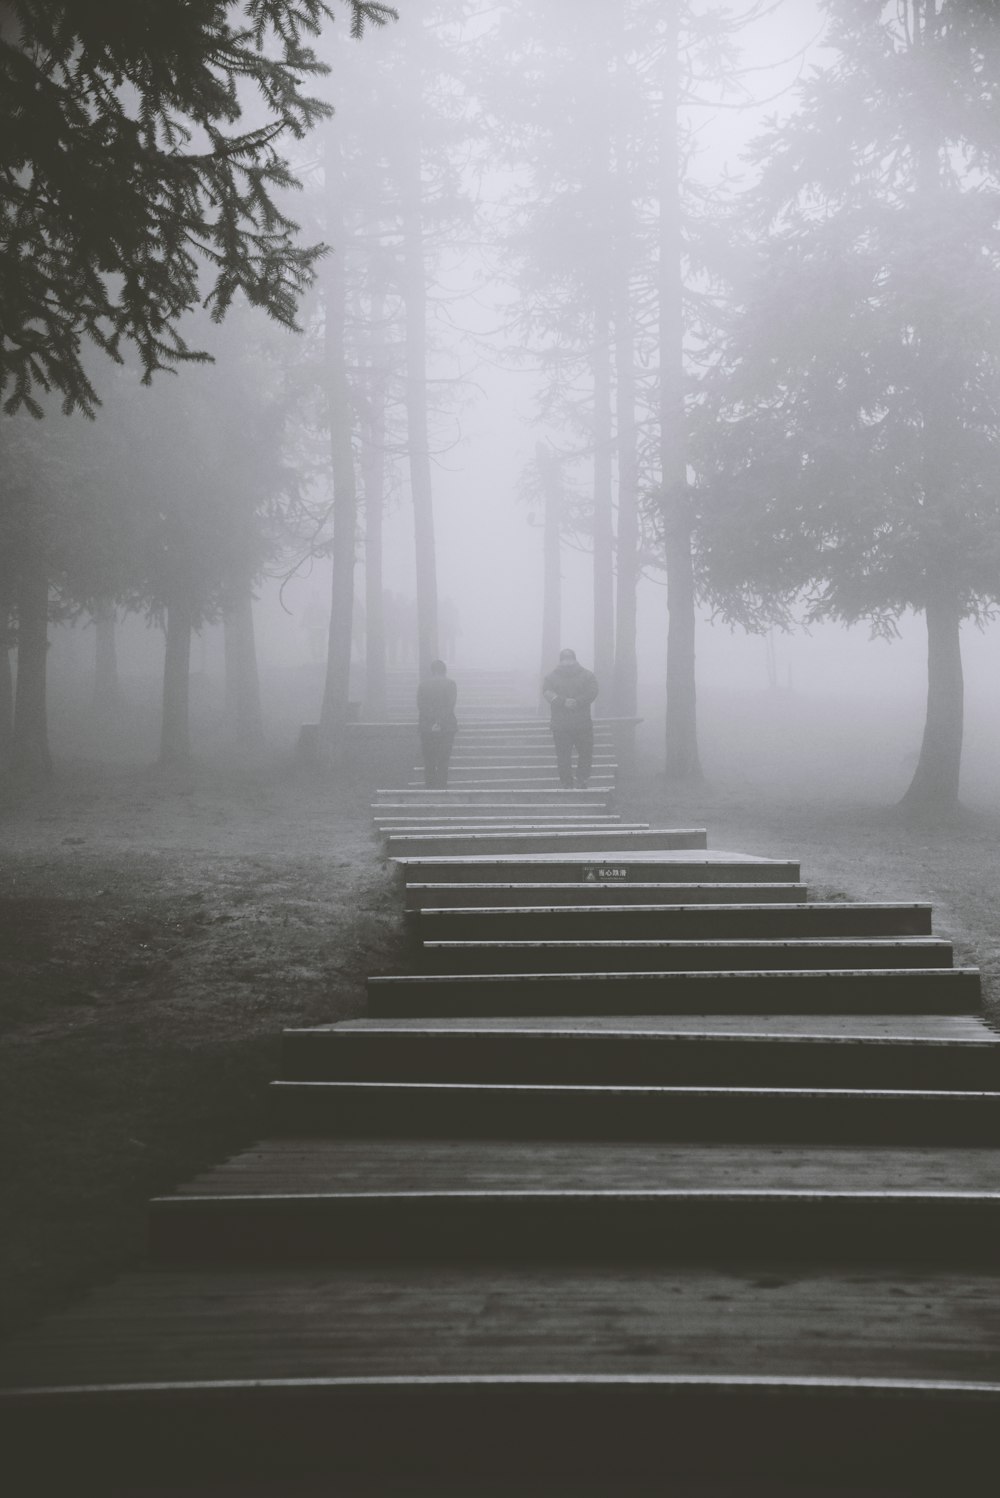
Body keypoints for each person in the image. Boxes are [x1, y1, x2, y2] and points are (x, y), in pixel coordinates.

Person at [542, 647, 599, 788]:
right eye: (565, 658)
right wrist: (564, 701)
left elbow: (593, 691)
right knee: (563, 756)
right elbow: (547, 692)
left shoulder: (587, 676)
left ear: (574, 659)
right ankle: (567, 782)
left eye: (570, 658)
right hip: (562, 725)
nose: (567, 661)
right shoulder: (551, 677)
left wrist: (577, 701)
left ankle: (582, 779)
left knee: (585, 753)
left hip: (581, 724)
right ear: (561, 660)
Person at [417, 659, 458, 788]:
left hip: (427, 727)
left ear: (432, 671)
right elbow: (450, 705)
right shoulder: (451, 684)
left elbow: (421, 706)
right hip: (446, 727)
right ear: (444, 670)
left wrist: (432, 722)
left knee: (429, 759)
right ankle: (441, 786)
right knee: (443, 759)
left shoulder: (423, 685)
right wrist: (439, 722)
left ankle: (429, 786)